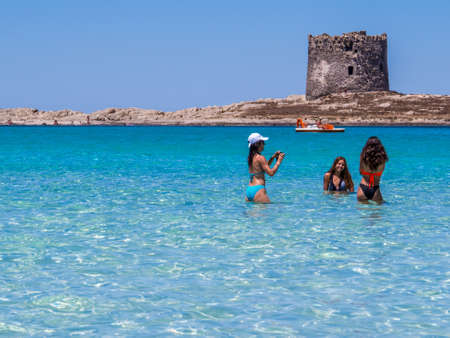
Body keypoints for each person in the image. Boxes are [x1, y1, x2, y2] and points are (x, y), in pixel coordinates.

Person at [246, 132, 285, 203]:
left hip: (249, 189)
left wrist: (273, 157)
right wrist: (279, 161)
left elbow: (262, 168)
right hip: (258, 190)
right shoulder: (261, 157)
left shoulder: (250, 157)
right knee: (266, 213)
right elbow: (271, 173)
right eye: (263, 143)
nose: (264, 145)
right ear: (258, 144)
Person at [357, 136, 389, 202]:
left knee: (362, 212)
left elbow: (360, 171)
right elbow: (381, 172)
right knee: (377, 211)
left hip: (363, 188)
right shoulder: (383, 159)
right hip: (375, 188)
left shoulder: (362, 157)